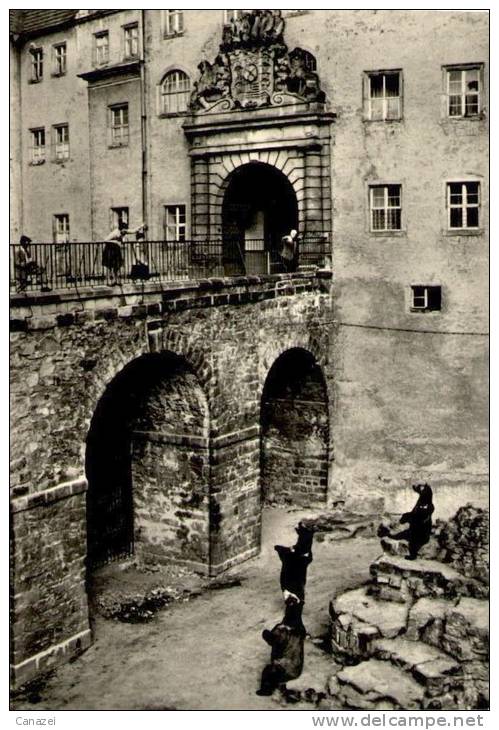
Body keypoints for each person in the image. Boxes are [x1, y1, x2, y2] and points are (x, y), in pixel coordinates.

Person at [378, 482, 435, 560]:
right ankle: (387, 533)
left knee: (411, 543)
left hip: (420, 535)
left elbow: (419, 517)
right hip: (414, 531)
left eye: (423, 490)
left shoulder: (428, 506)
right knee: (398, 535)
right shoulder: (423, 503)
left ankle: (413, 555)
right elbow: (415, 513)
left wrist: (406, 519)